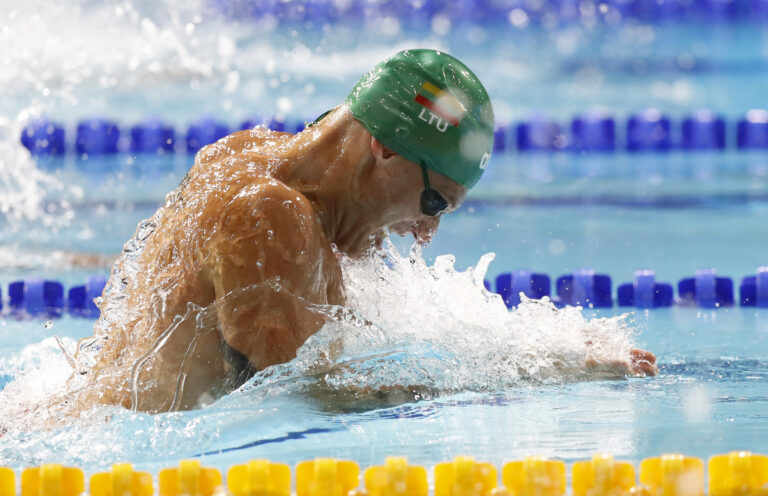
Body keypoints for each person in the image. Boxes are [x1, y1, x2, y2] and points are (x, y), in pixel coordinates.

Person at [67, 49, 656, 415]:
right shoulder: (271, 218)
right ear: (382, 147)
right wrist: (548, 372)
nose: (424, 233)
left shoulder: (260, 160)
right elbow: (298, 398)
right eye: (432, 202)